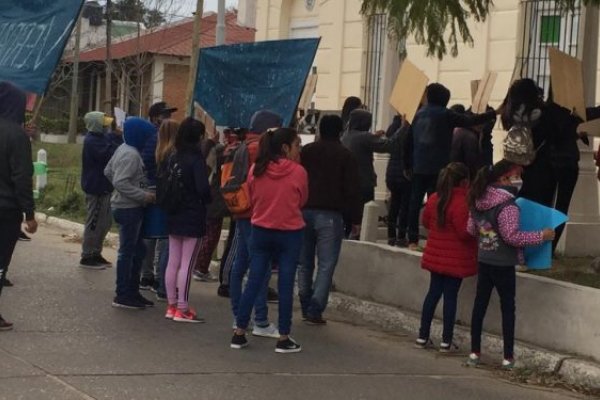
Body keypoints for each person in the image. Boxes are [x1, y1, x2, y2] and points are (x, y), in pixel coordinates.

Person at [466, 160, 555, 369]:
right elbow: (512, 237)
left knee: (480, 305)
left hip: (484, 259)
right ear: (504, 178)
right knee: (507, 308)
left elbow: (470, 229)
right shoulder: (508, 206)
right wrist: (541, 236)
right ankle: (507, 357)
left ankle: (474, 352)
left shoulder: (477, 200)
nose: (519, 180)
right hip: (503, 263)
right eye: (516, 175)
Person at [231, 128, 308, 353]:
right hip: (290, 232)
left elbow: (253, 196)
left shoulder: (257, 169)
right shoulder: (298, 172)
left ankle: (239, 331)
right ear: (286, 148)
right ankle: (284, 336)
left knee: (254, 279)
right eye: (297, 145)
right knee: (285, 283)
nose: (299, 150)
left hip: (261, 228)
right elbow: (302, 199)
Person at [405, 83, 496, 251]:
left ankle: (412, 239)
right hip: (438, 167)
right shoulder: (445, 114)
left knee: (414, 201)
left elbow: (408, 141)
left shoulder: (418, 115)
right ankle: (434, 235)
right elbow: (468, 120)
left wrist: (407, 165)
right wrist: (491, 114)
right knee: (438, 202)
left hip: (418, 165)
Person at [500, 79, 585, 253]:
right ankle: (546, 250)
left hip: (529, 164)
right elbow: (564, 131)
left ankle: (522, 244)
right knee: (560, 207)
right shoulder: (551, 112)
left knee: (531, 205)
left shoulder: (510, 114)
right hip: (559, 164)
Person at [299, 115, 361, 325]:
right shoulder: (345, 155)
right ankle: (315, 307)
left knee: (305, 261)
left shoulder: (306, 152)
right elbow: (352, 190)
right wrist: (354, 218)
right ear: (341, 131)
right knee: (326, 263)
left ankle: (304, 299)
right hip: (331, 215)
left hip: (304, 210)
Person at [229, 110, 282, 339]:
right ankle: (260, 319)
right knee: (259, 267)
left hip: (240, 210)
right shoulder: (258, 149)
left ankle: (238, 314)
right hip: (255, 213)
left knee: (240, 264)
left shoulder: (241, 146)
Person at [415, 162, 476, 351]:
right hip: (455, 258)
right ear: (465, 182)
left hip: (435, 254)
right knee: (450, 297)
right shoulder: (462, 202)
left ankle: (422, 335)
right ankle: (446, 340)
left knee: (433, 293)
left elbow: (426, 221)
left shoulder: (435, 198)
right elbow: (464, 232)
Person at [104, 117, 156, 309]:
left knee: (138, 250)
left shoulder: (123, 149)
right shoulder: (131, 154)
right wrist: (142, 195)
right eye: (147, 137)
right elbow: (120, 181)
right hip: (129, 208)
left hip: (126, 205)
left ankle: (133, 291)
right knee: (128, 252)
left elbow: (108, 171)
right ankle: (123, 293)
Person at [163, 118, 211, 323]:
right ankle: (183, 308)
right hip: (192, 215)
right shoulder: (196, 159)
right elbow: (202, 189)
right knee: (187, 264)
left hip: (173, 212)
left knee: (173, 261)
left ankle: (171, 305)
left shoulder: (173, 157)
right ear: (198, 137)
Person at [0, 81, 37, 330]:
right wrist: (30, 214)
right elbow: (21, 177)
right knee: (0, 262)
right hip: (6, 210)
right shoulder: (16, 135)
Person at [140, 101, 177, 292]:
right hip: (158, 189)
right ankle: (156, 278)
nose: (169, 118)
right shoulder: (157, 138)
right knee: (161, 236)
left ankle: (148, 275)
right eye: (166, 115)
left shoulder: (154, 137)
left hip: (152, 188)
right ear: (156, 118)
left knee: (151, 234)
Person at [341, 109, 396, 236]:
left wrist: (373, 137)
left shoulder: (346, 136)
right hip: (364, 182)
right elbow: (389, 145)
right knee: (364, 217)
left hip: (348, 183)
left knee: (350, 217)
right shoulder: (364, 137)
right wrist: (402, 128)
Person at [80, 111, 123, 269]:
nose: (107, 127)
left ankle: (96, 252)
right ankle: (87, 255)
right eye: (104, 124)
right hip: (95, 188)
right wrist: (117, 139)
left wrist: (117, 135)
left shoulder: (101, 138)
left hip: (104, 187)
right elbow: (110, 153)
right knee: (94, 223)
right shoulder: (92, 141)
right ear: (96, 125)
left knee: (104, 223)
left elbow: (111, 140)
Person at [193, 134, 228, 282]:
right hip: (214, 203)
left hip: (205, 203)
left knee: (205, 235)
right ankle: (201, 268)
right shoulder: (213, 159)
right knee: (211, 236)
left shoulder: (199, 154)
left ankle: (199, 266)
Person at [153, 119, 180, 301]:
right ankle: (164, 286)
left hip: (162, 200)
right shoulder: (173, 153)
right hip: (172, 203)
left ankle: (160, 281)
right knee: (168, 248)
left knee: (164, 245)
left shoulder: (160, 151)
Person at [385, 114, 412, 247]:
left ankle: (391, 235)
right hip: (404, 173)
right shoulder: (407, 130)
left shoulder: (392, 128)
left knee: (394, 204)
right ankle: (401, 236)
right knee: (404, 206)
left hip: (391, 172)